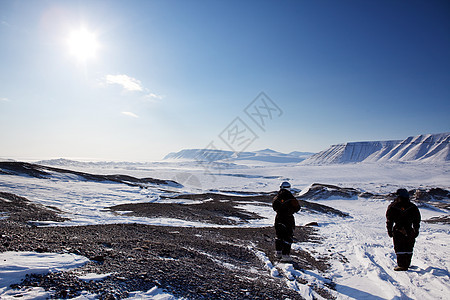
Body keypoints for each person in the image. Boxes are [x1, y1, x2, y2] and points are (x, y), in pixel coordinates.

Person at [386, 188, 421, 271]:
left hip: (398, 229)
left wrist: (389, 230)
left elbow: (389, 220)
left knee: (399, 247)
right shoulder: (413, 206)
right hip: (409, 229)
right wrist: (416, 230)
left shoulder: (393, 206)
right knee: (409, 247)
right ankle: (407, 264)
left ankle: (402, 265)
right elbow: (417, 220)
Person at [272, 181, 300, 262]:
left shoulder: (277, 197)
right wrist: (290, 210)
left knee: (279, 235)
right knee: (288, 235)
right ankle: (285, 255)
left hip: (278, 217)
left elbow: (274, 207)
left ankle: (278, 252)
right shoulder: (291, 197)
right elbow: (297, 208)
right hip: (288, 218)